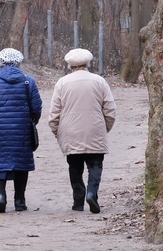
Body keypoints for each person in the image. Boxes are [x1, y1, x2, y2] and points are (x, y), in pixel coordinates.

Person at [47, 48, 116, 213]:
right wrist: (104, 128)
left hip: (70, 131)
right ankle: (92, 193)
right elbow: (110, 110)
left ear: (70, 65)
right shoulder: (99, 81)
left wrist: (58, 132)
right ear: (88, 63)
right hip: (95, 130)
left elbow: (54, 114)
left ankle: (78, 202)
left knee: (75, 167)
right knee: (95, 165)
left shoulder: (62, 83)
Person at [0, 47, 43, 213]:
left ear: (1, 62)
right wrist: (32, 122)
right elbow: (37, 107)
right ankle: (20, 200)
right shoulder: (28, 82)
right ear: (19, 62)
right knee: (21, 163)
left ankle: (0, 195)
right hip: (21, 130)